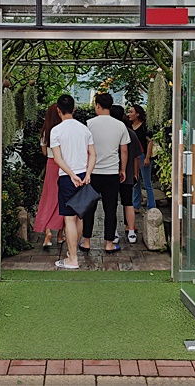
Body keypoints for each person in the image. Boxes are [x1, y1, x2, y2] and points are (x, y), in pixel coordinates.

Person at [50, 94, 96, 269]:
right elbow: (93, 154)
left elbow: (57, 158)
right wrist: (88, 173)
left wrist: (71, 174)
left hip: (67, 177)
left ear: (58, 110)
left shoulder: (56, 131)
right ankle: (72, 253)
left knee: (69, 219)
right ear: (74, 109)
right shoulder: (84, 129)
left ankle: (73, 258)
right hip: (83, 175)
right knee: (79, 216)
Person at [81, 93, 129, 254]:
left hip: (92, 172)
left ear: (97, 105)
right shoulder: (120, 125)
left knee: (89, 208)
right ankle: (109, 243)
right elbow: (124, 150)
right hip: (111, 172)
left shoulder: (89, 124)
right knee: (110, 209)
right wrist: (122, 169)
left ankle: (86, 241)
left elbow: (84, 148)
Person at [33, 103, 65, 248]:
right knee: (62, 198)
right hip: (64, 165)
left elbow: (45, 152)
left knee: (48, 197)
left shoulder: (46, 131)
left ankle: (47, 231)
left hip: (51, 164)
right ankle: (60, 234)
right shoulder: (64, 129)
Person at [110, 104, 141, 244]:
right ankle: (131, 231)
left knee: (112, 204)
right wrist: (135, 173)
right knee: (128, 202)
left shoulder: (110, 132)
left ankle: (114, 232)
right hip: (128, 174)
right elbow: (136, 156)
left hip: (111, 173)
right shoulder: (131, 133)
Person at [128, 104, 155, 212]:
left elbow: (150, 141)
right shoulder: (129, 127)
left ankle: (151, 207)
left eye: (131, 112)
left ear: (138, 114)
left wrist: (147, 157)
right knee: (136, 182)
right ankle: (136, 205)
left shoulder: (144, 127)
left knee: (147, 183)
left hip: (143, 155)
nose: (129, 114)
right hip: (133, 157)